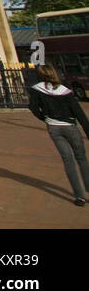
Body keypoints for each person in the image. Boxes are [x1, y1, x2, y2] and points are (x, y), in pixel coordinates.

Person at [27, 65, 89, 206]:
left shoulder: (37, 89)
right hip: (70, 127)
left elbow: (33, 107)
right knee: (81, 159)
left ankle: (79, 196)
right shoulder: (65, 91)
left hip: (54, 127)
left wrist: (45, 118)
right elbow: (79, 113)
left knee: (68, 160)